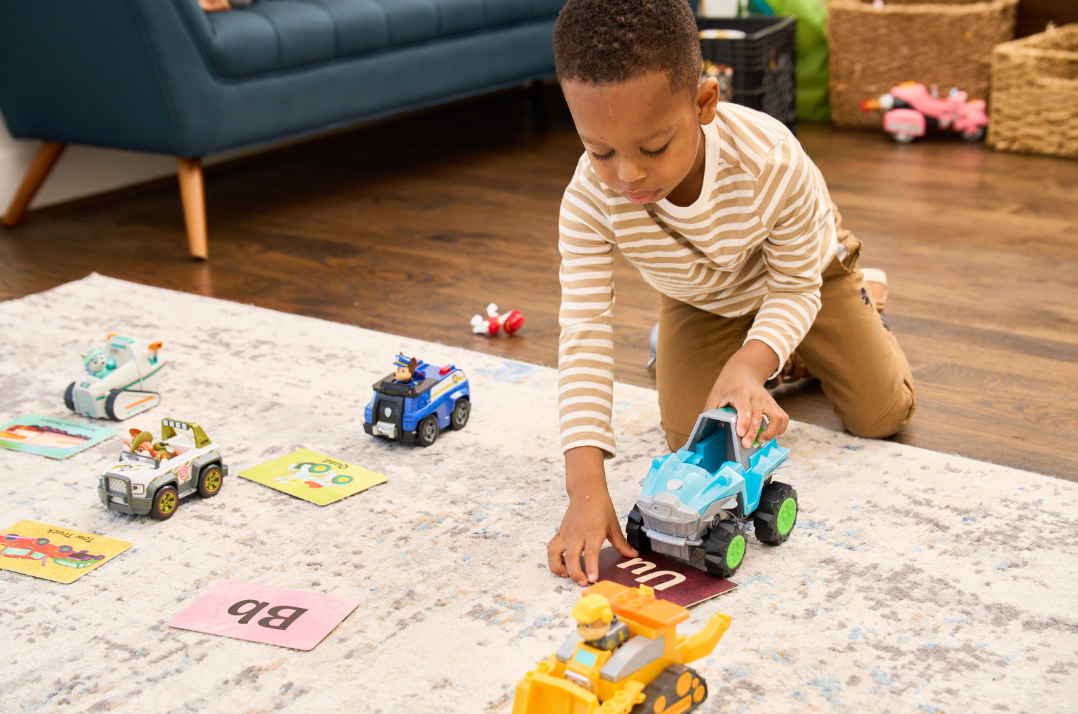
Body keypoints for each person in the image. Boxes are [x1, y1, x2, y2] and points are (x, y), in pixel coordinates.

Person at [547, 0, 915, 587]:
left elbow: (796, 283)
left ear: (704, 104)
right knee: (688, 437)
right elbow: (584, 331)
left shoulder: (770, 158)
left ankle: (860, 299)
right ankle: (778, 356)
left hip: (804, 276)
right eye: (600, 152)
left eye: (653, 147)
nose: (628, 177)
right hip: (701, 296)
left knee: (882, 413)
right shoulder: (590, 201)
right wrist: (585, 489)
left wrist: (751, 361)